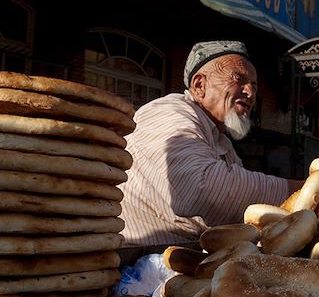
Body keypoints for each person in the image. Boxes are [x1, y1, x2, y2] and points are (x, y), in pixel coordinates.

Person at [120, 40, 303, 247]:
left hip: (183, 258)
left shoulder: (220, 140)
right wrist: (300, 190)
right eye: (239, 79)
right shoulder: (169, 111)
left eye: (254, 85)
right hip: (138, 266)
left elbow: (242, 212)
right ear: (199, 85)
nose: (251, 93)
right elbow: (201, 187)